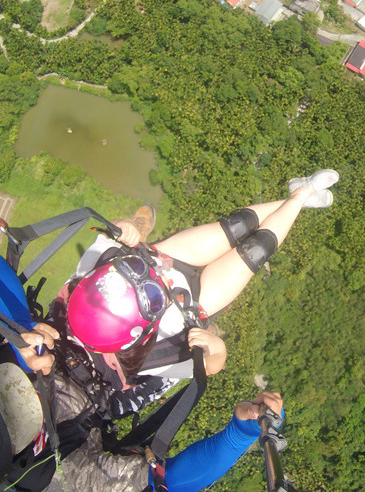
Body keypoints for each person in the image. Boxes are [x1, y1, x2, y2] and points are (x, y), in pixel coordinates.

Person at [0, 309, 286, 491]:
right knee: (201, 335)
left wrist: (17, 331)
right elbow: (167, 481)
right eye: (8, 413)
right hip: (116, 387)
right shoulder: (62, 473)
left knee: (134, 254)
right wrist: (240, 431)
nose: (4, 394)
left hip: (70, 329)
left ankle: (141, 228)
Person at [58, 170, 339, 412]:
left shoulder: (82, 291)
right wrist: (218, 347)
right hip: (194, 305)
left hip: (161, 260)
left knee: (237, 226)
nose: (159, 288)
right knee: (256, 250)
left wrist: (127, 227)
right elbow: (210, 365)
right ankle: (301, 196)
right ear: (141, 334)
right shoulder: (143, 363)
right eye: (154, 299)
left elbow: (111, 237)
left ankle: (297, 195)